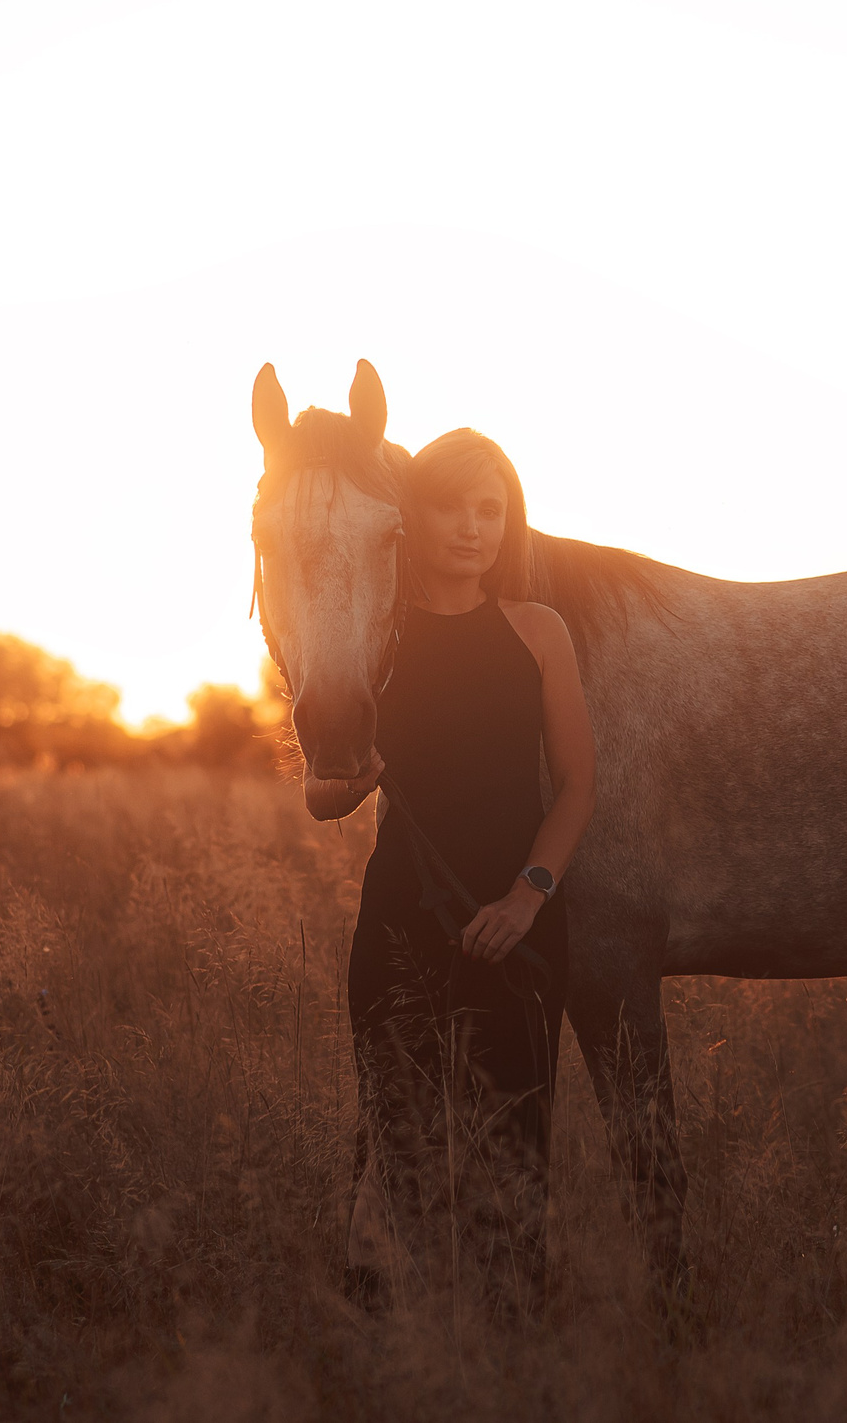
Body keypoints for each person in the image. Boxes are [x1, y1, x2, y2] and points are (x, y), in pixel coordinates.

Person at [305, 427, 596, 1315]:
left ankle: (506, 1355)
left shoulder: (537, 632)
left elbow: (578, 787)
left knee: (512, 1158)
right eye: (449, 507)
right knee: (403, 1152)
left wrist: (528, 896)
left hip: (514, 933)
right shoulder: (378, 642)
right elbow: (324, 800)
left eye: (491, 510)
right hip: (402, 923)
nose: (472, 529)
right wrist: (350, 780)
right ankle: (415, 1353)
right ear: (410, 516)